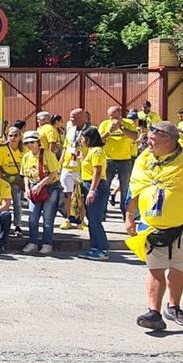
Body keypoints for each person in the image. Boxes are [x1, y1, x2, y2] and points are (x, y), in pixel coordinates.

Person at [127, 121, 183, 330]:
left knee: (179, 268)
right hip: (152, 225)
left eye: (152, 140)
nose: (147, 144)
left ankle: (174, 307)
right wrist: (129, 216)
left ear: (169, 140)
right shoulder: (144, 159)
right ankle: (153, 313)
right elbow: (134, 188)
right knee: (155, 268)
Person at [21, 130, 62, 255]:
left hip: (50, 188)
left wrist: (40, 184)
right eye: (27, 143)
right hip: (34, 188)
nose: (30, 145)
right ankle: (33, 242)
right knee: (32, 217)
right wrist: (27, 189)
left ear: (38, 142)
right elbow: (25, 175)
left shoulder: (48, 154)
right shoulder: (26, 156)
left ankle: (47, 243)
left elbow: (54, 173)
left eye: (32, 142)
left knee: (47, 219)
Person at [77, 127, 110, 261]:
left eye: (83, 138)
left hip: (96, 186)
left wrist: (92, 190)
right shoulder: (90, 151)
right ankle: (94, 247)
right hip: (88, 184)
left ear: (89, 139)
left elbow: (97, 172)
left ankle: (102, 249)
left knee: (95, 219)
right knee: (91, 219)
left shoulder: (96, 151)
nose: (81, 141)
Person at [98, 105, 138, 217]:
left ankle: (125, 213)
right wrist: (109, 132)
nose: (112, 119)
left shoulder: (128, 123)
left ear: (120, 114)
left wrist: (122, 128)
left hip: (125, 160)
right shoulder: (104, 124)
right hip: (108, 159)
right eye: (110, 117)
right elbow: (99, 140)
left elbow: (135, 136)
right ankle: (102, 212)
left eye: (114, 116)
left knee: (125, 187)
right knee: (105, 187)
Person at [58, 108, 88, 230]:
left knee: (81, 195)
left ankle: (82, 220)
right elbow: (65, 147)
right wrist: (60, 163)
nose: (70, 118)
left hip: (81, 168)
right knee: (67, 194)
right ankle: (67, 218)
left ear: (81, 117)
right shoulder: (70, 131)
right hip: (67, 166)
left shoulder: (90, 131)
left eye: (73, 116)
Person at [0, 126, 24, 236]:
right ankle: (1, 225)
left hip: (17, 179)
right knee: (2, 203)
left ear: (20, 137)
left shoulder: (24, 149)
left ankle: (17, 226)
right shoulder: (3, 148)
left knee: (17, 203)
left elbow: (25, 165)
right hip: (4, 178)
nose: (13, 138)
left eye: (15, 135)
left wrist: (21, 178)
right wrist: (2, 177)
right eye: (10, 135)